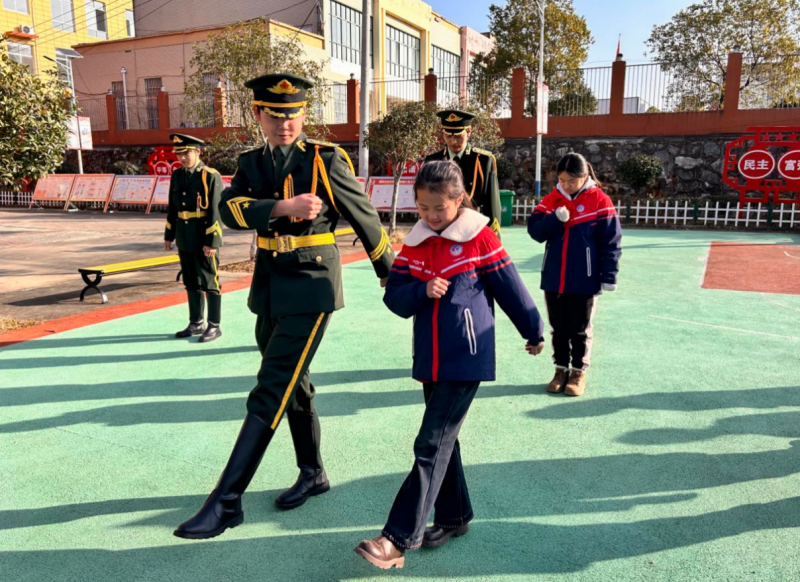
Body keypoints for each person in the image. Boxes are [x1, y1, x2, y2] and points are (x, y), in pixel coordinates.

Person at [173, 73, 394, 540]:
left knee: (271, 386)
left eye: (293, 115)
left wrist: (389, 272)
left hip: (312, 284)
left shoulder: (325, 159)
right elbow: (229, 211)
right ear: (258, 114)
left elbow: (365, 216)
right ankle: (313, 473)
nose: (285, 124)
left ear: (304, 115)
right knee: (295, 384)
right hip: (269, 285)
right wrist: (281, 208)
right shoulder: (251, 161)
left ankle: (226, 501)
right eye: (275, 115)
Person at [354, 160, 545, 569]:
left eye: (439, 207)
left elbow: (510, 288)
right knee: (444, 440)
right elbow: (395, 298)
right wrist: (422, 289)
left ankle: (397, 539)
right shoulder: (415, 243)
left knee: (430, 443)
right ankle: (455, 517)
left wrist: (533, 330)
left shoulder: (480, 238)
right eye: (423, 207)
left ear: (459, 200)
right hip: (429, 359)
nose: (431, 216)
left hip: (467, 356)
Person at [527, 152, 622, 397]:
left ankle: (578, 372)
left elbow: (611, 240)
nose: (566, 185)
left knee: (580, 330)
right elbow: (535, 232)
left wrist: (609, 275)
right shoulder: (551, 199)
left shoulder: (600, 200)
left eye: (572, 180)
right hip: (553, 278)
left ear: (585, 176)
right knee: (558, 328)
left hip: (585, 279)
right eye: (562, 180)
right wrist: (555, 219)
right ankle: (560, 370)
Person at [163, 133, 224, 343]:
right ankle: (196, 322)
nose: (182, 158)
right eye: (179, 154)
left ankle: (214, 325)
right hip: (184, 237)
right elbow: (172, 207)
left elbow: (215, 211)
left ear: (198, 152)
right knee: (190, 281)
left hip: (203, 237)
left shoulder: (210, 176)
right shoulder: (177, 175)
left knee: (210, 281)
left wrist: (212, 242)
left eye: (186, 153)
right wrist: (169, 235)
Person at [424, 109, 502, 236]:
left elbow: (491, 203)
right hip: (441, 229)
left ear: (469, 131)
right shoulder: (433, 160)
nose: (453, 141)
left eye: (458, 136)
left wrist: (492, 236)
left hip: (472, 228)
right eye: (448, 136)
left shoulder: (483, 160)